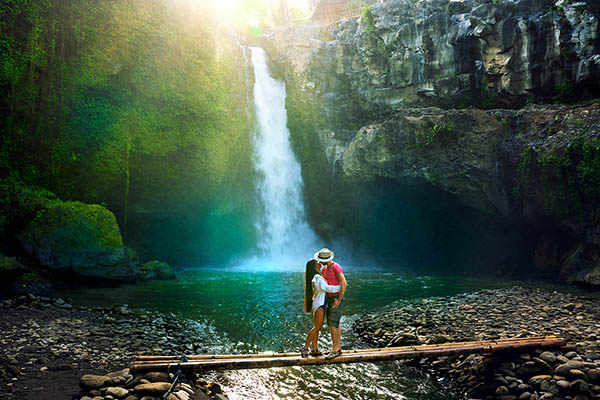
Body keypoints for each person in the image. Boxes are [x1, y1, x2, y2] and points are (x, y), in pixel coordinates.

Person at [301, 259, 341, 358]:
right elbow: (327, 288)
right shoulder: (317, 277)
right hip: (320, 305)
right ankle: (305, 347)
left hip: (319, 304)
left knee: (317, 327)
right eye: (317, 262)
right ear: (314, 266)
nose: (319, 262)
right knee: (317, 328)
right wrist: (341, 287)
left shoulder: (315, 277)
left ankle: (314, 349)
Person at [314, 247, 346, 360]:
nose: (320, 262)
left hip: (335, 298)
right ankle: (337, 347)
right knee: (335, 322)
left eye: (321, 260)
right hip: (329, 297)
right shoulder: (323, 269)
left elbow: (344, 283)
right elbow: (323, 284)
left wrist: (339, 300)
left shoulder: (336, 267)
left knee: (332, 324)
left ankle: (335, 349)